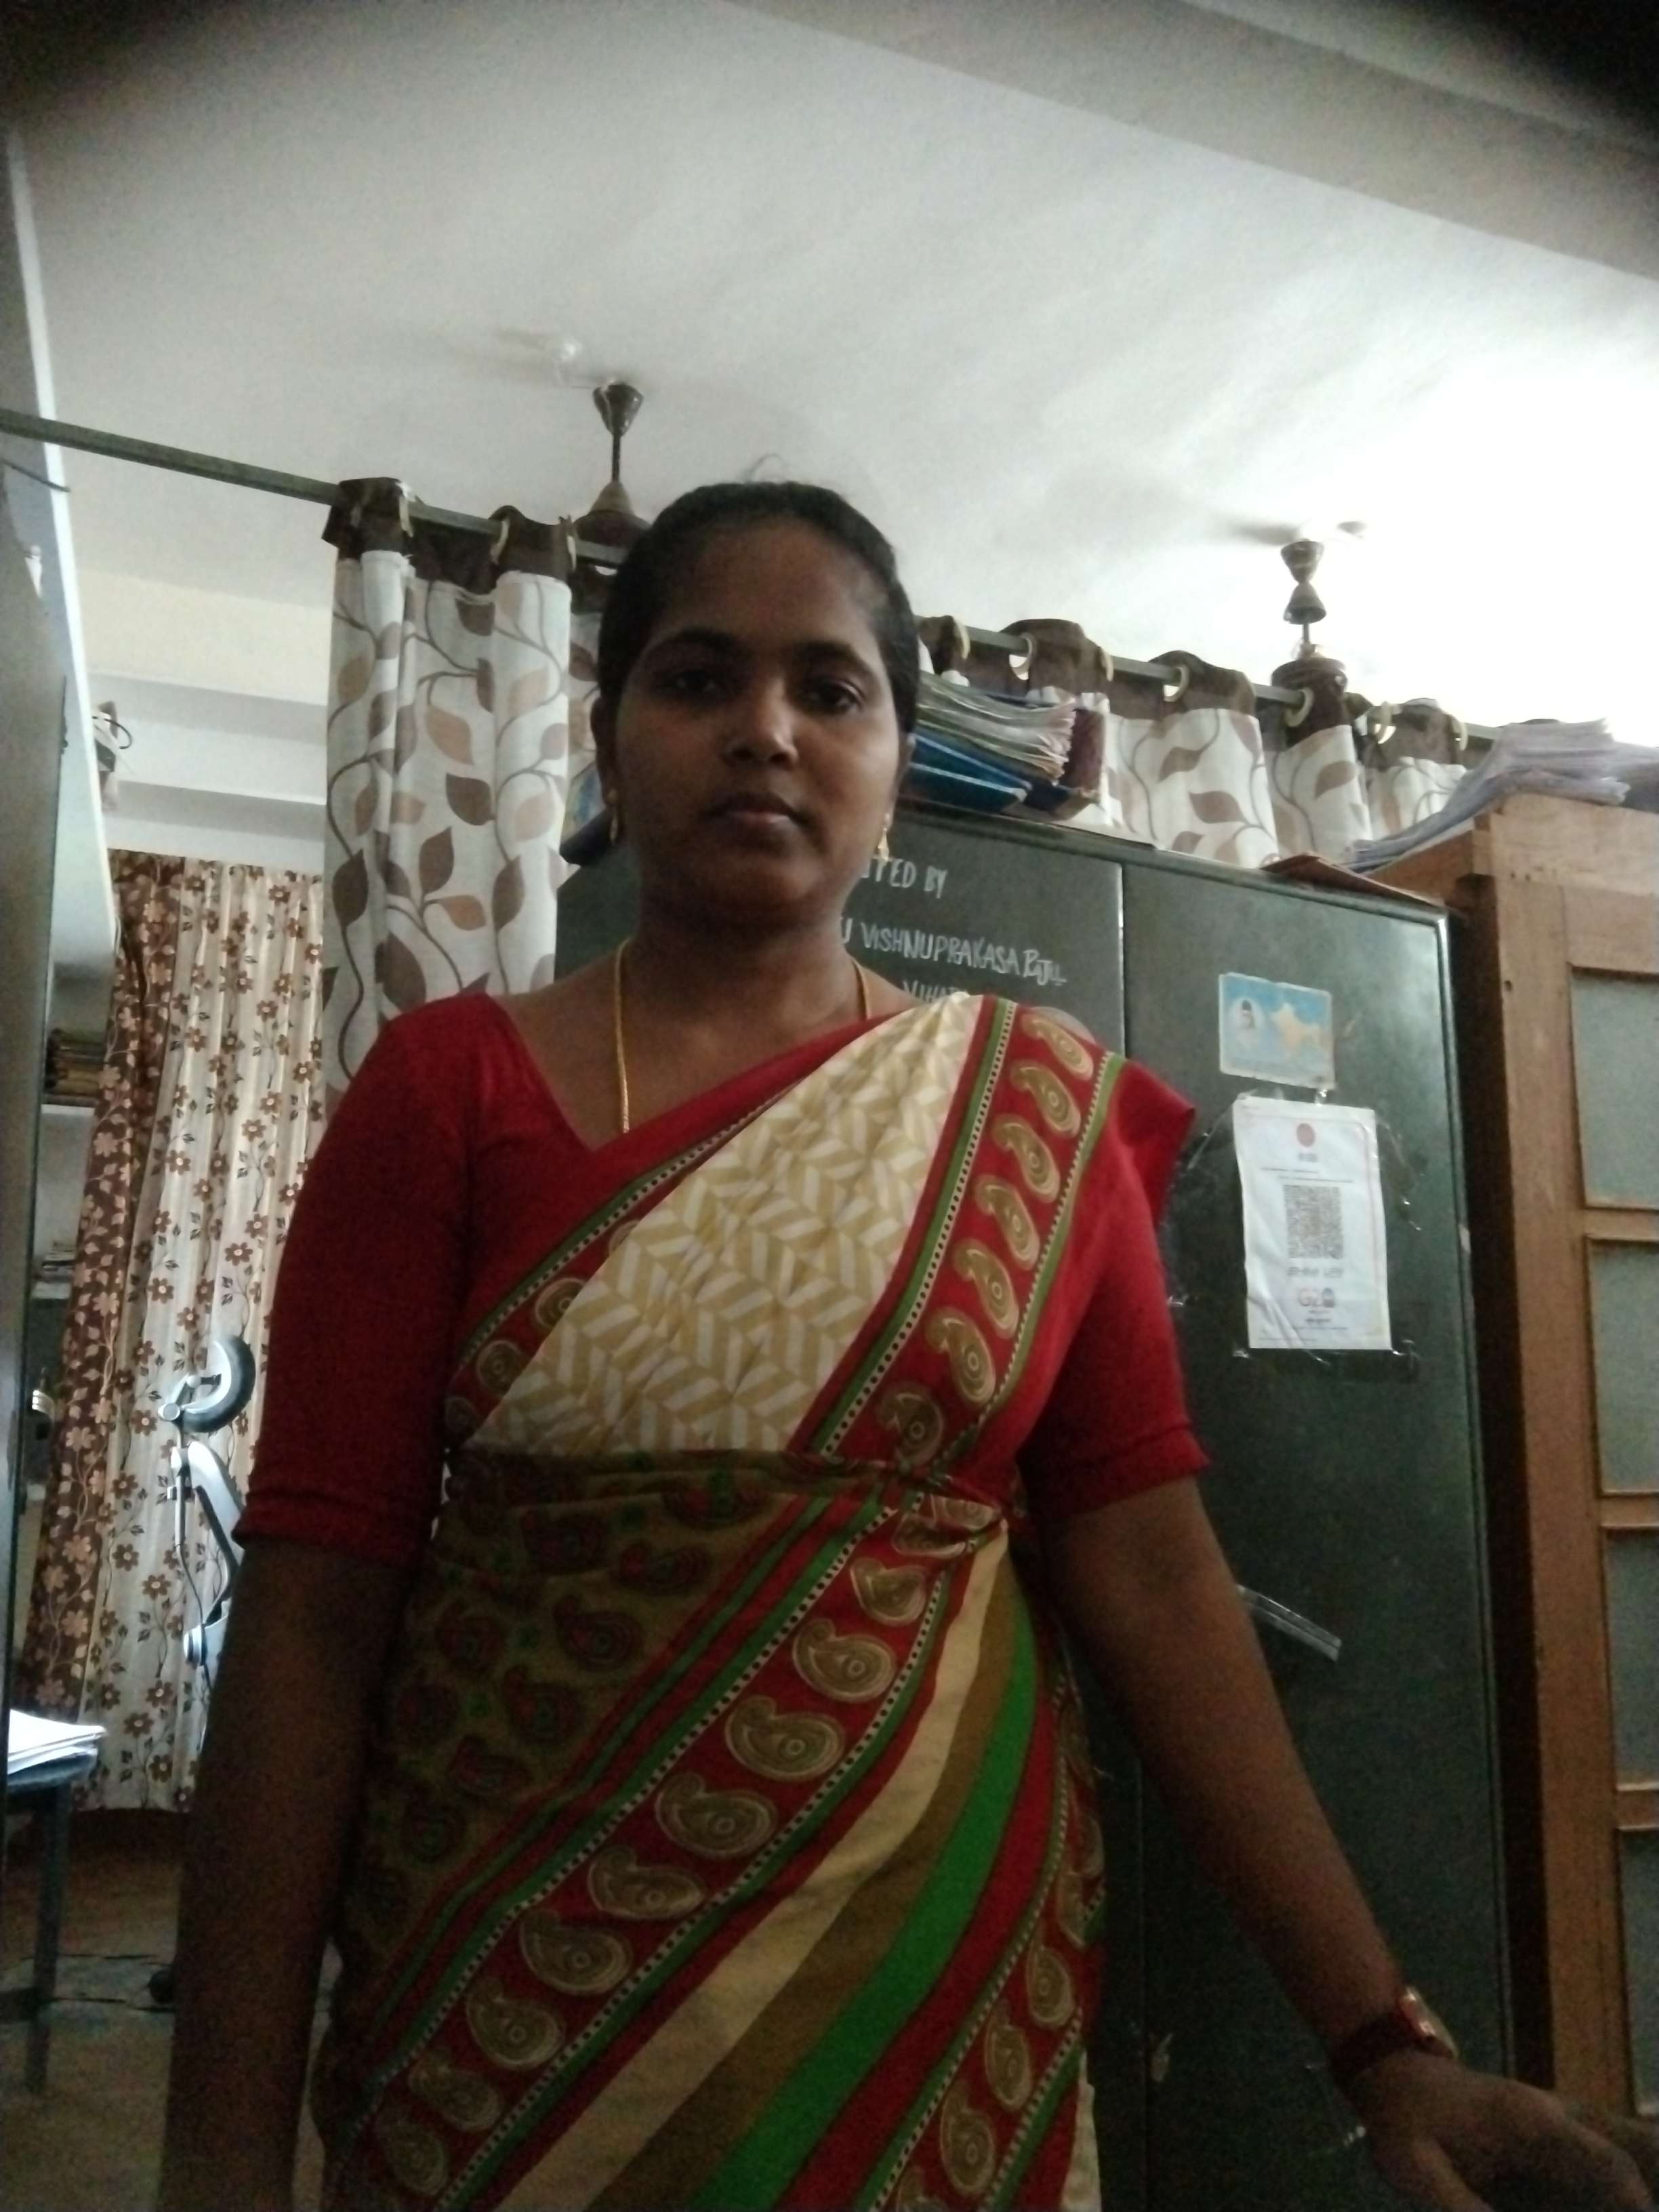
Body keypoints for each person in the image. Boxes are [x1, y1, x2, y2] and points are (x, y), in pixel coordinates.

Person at [157, 483, 1652, 2212]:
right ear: (610, 736)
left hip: (928, 2023)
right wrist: (218, 2156)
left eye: (830, 689)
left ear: (894, 760)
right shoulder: (447, 1091)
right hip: (515, 2022)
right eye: (699, 679)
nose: (766, 731)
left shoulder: (1030, 1115)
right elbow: (312, 1616)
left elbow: (1157, 1580)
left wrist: (1385, 2046)